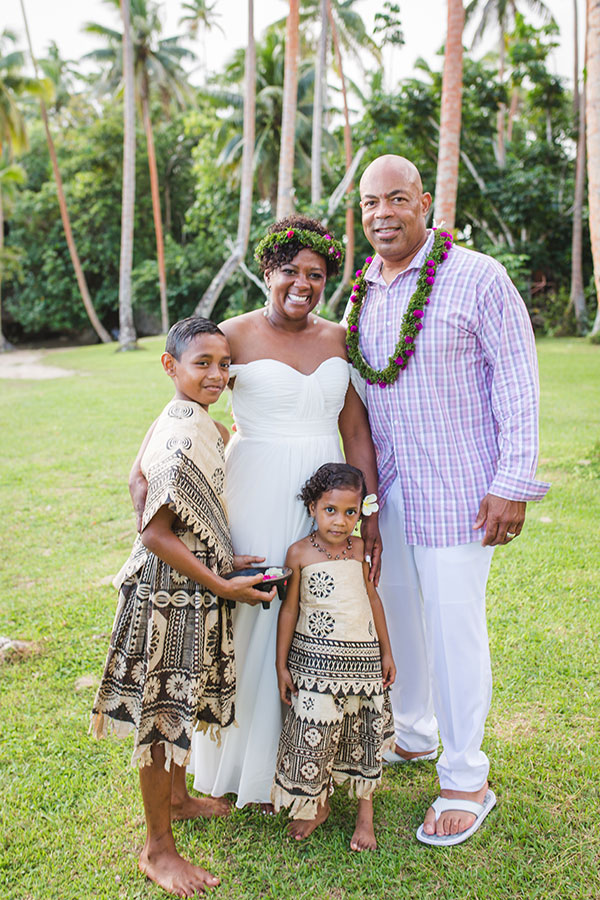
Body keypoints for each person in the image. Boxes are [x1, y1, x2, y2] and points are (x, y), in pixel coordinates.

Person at [344, 155, 550, 846]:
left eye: (396, 199)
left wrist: (512, 483)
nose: (381, 214)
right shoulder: (361, 292)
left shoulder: (478, 276)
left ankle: (467, 777)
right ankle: (414, 732)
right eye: (371, 203)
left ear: (424, 203)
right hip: (390, 493)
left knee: (454, 629)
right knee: (397, 611)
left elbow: (518, 379)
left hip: (463, 491)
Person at [184, 216, 381, 810]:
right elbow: (192, 402)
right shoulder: (232, 335)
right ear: (267, 271)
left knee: (318, 619)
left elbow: (355, 429)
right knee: (253, 616)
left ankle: (312, 764)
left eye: (316, 274)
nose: (303, 282)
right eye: (290, 270)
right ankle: (245, 769)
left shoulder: (337, 339)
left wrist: (366, 513)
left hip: (327, 496)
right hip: (254, 490)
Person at [91, 317, 276, 897]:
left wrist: (219, 551)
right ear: (170, 367)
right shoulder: (184, 432)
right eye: (203, 364)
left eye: (225, 364)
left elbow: (135, 478)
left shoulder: (185, 418)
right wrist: (221, 583)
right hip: (165, 595)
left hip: (187, 583)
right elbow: (154, 533)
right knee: (163, 715)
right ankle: (157, 849)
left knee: (179, 702)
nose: (218, 375)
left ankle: (177, 797)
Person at [271, 463, 395, 851]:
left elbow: (373, 600)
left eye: (351, 513)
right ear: (312, 507)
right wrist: (281, 663)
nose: (340, 522)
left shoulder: (360, 550)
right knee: (316, 738)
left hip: (363, 663)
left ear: (361, 513)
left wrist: (387, 653)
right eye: (330, 510)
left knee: (363, 736)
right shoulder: (299, 554)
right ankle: (317, 805)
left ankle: (365, 817)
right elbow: (288, 610)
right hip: (315, 666)